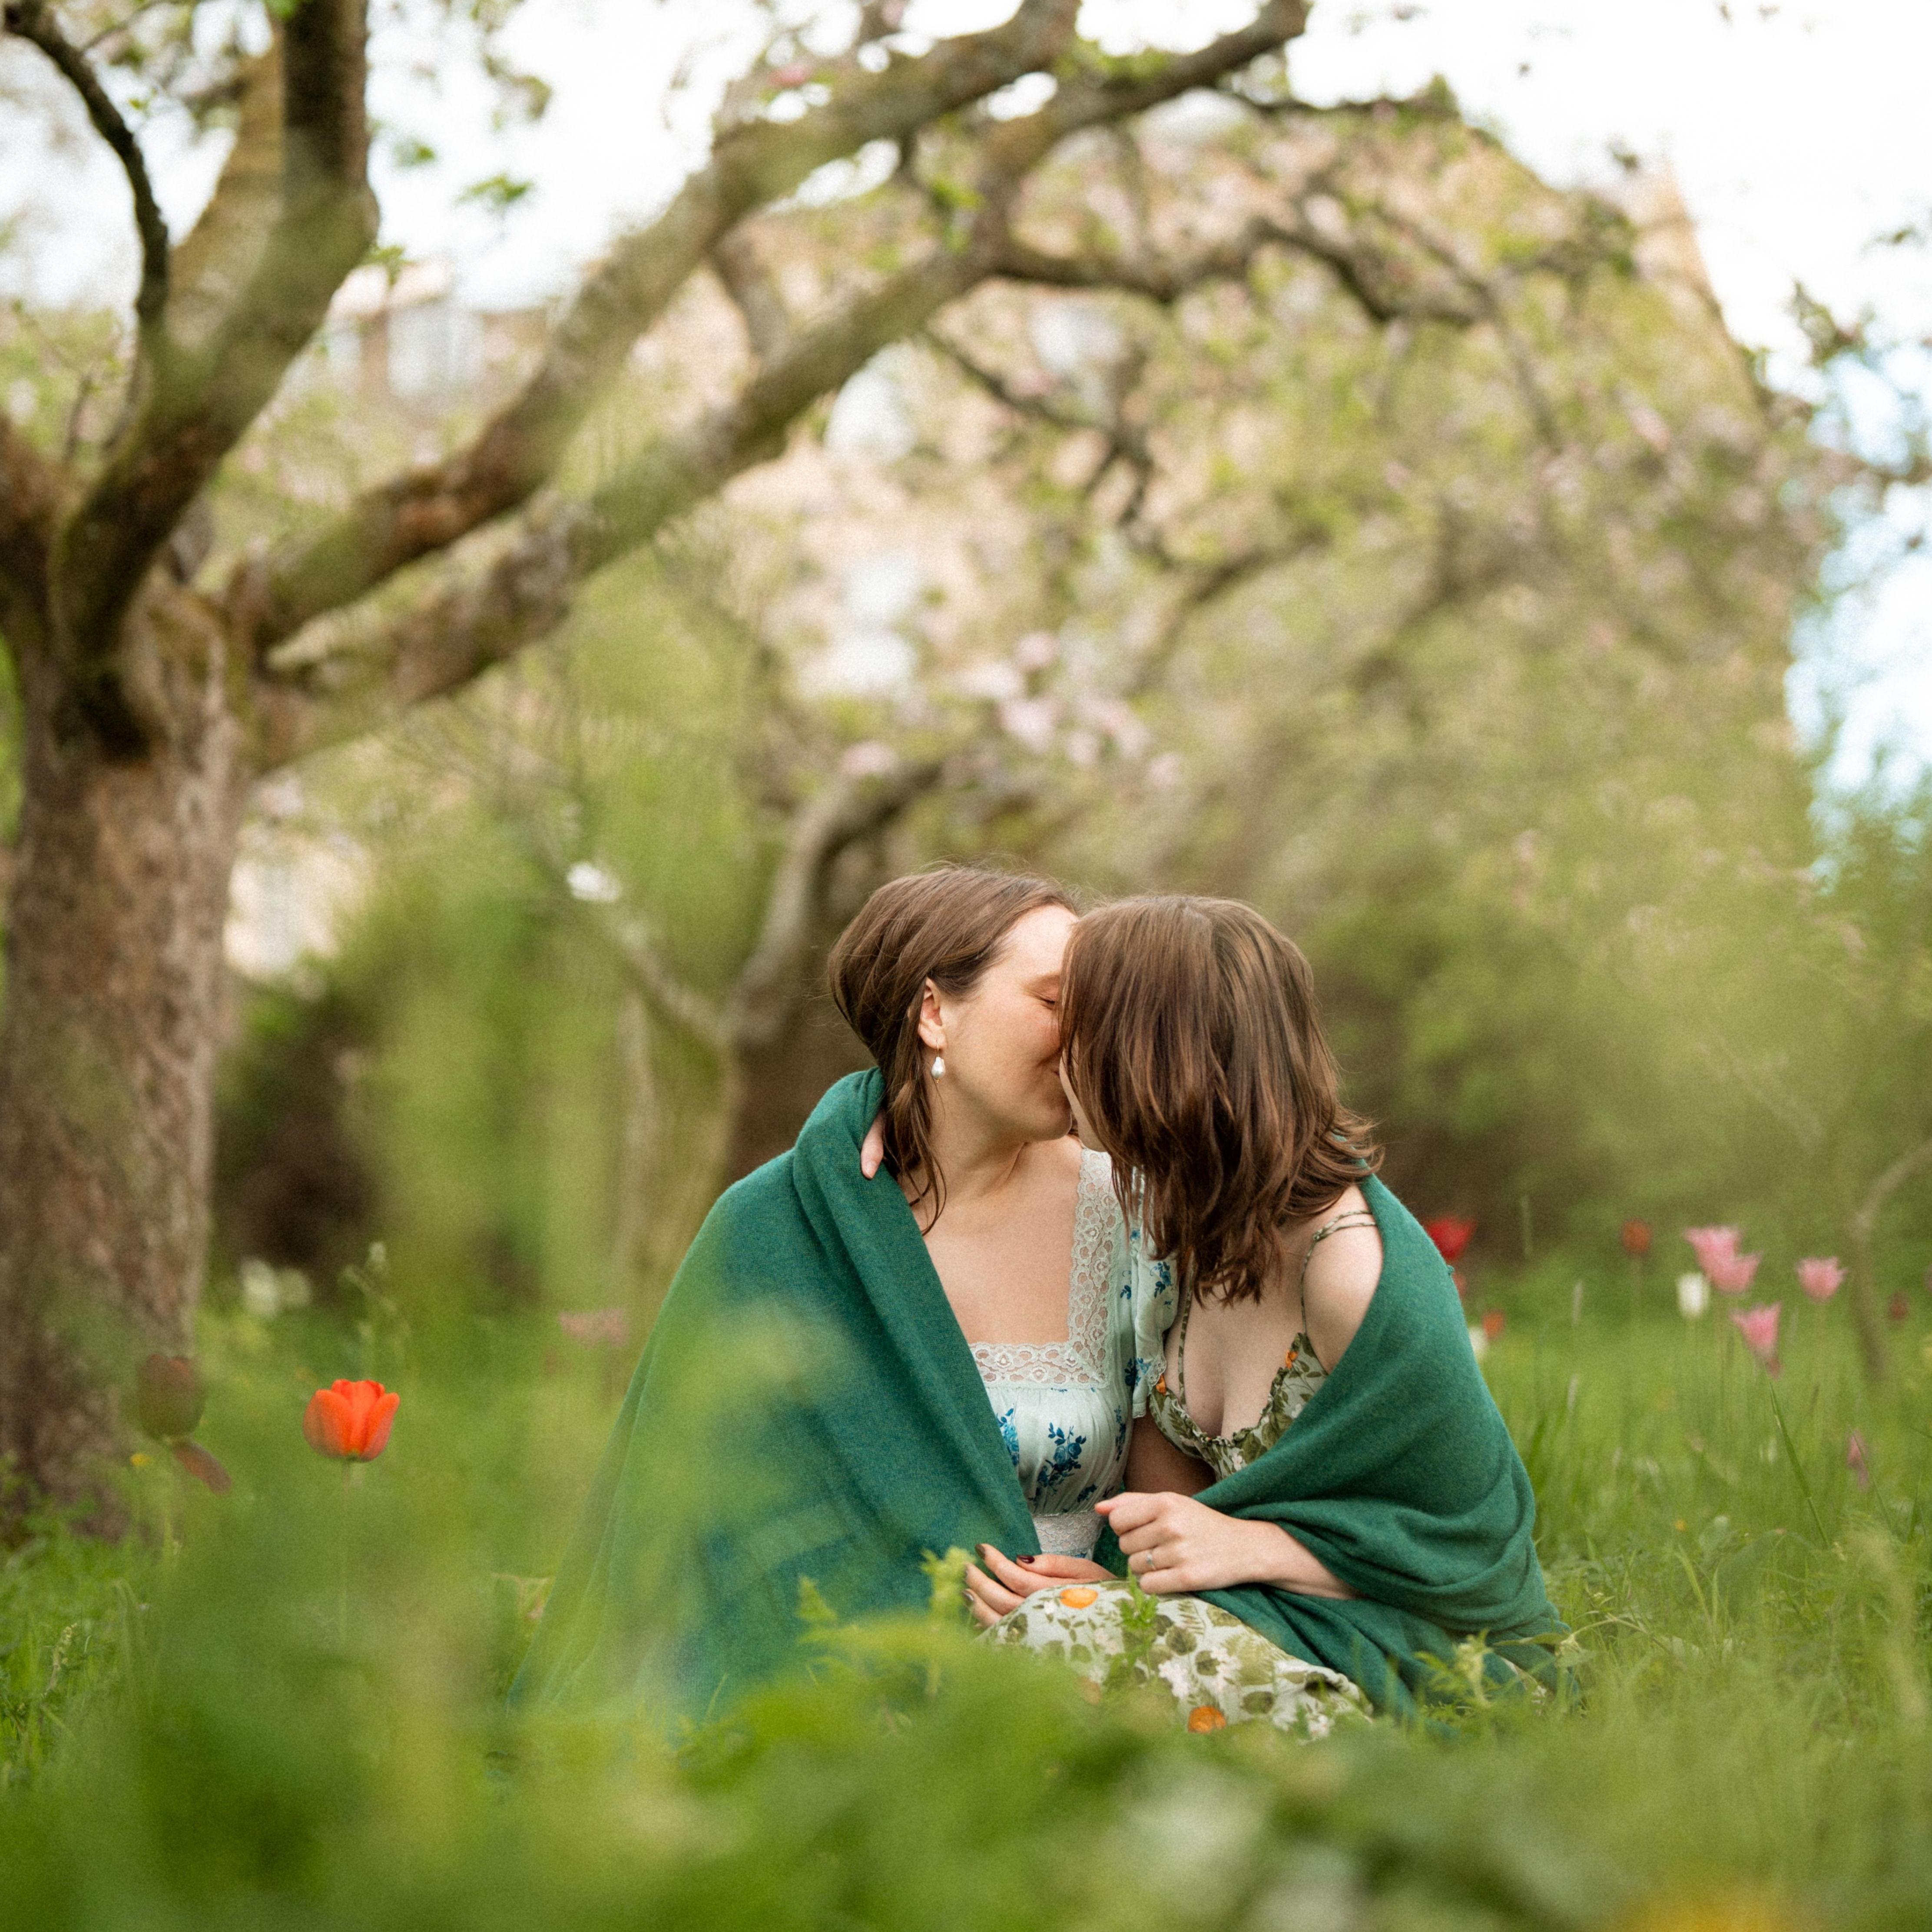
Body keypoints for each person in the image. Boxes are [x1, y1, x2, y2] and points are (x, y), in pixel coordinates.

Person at [508, 865, 1168, 1721]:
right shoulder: (775, 1228)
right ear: (934, 1012)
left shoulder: (1135, 1212)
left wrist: (1118, 1596)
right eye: (1053, 1002)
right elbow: (694, 1530)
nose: (1087, 1036)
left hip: (1084, 1691)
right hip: (836, 1704)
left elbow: (1178, 1483)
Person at [960, 896, 1567, 1728]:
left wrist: (1257, 1548)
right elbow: (1177, 1528)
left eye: (1081, 1023)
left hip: (1413, 1662)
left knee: (1040, 1651)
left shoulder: (1348, 1271)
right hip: (1261, 1627)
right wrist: (1138, 1595)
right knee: (1011, 1653)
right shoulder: (1168, 1223)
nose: (1060, 1052)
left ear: (1149, 1053)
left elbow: (1483, 1563)